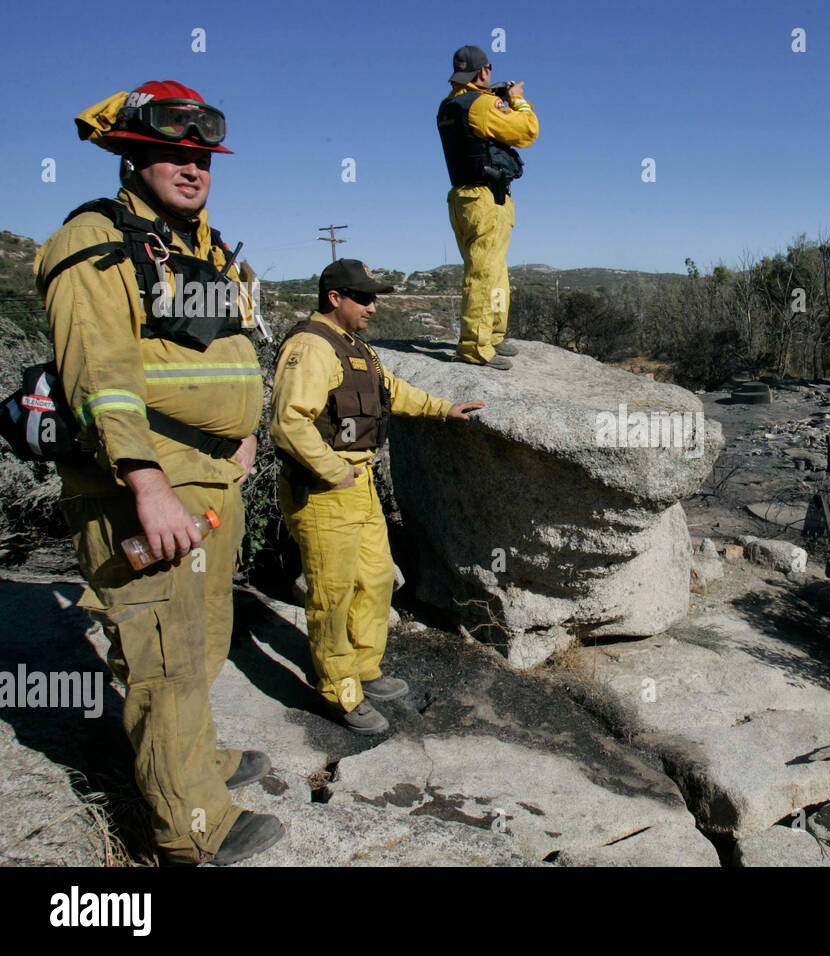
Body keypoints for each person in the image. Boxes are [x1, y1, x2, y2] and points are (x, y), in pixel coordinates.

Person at [33, 81, 283, 865]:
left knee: (201, 640)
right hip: (147, 486)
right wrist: (146, 484)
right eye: (170, 153)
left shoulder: (198, 247)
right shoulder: (92, 241)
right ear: (132, 155)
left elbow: (222, 355)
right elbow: (97, 376)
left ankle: (194, 763)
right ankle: (191, 830)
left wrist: (241, 441)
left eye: (201, 155)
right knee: (165, 660)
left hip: (210, 479)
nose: (190, 167)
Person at [270, 259, 484, 734]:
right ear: (334, 298)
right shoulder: (310, 345)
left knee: (377, 579)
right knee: (332, 595)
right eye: (364, 298)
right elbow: (288, 423)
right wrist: (332, 470)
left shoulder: (355, 348)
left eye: (374, 297)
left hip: (359, 486)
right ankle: (338, 692)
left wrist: (443, 408)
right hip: (326, 491)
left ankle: (365, 668)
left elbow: (391, 392)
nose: (373, 306)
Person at [436, 44, 539, 370]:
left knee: (494, 270)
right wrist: (517, 99)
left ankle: (493, 333)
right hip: (485, 197)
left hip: (464, 198)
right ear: (483, 72)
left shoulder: (449, 105)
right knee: (484, 273)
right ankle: (476, 347)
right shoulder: (482, 105)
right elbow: (526, 131)